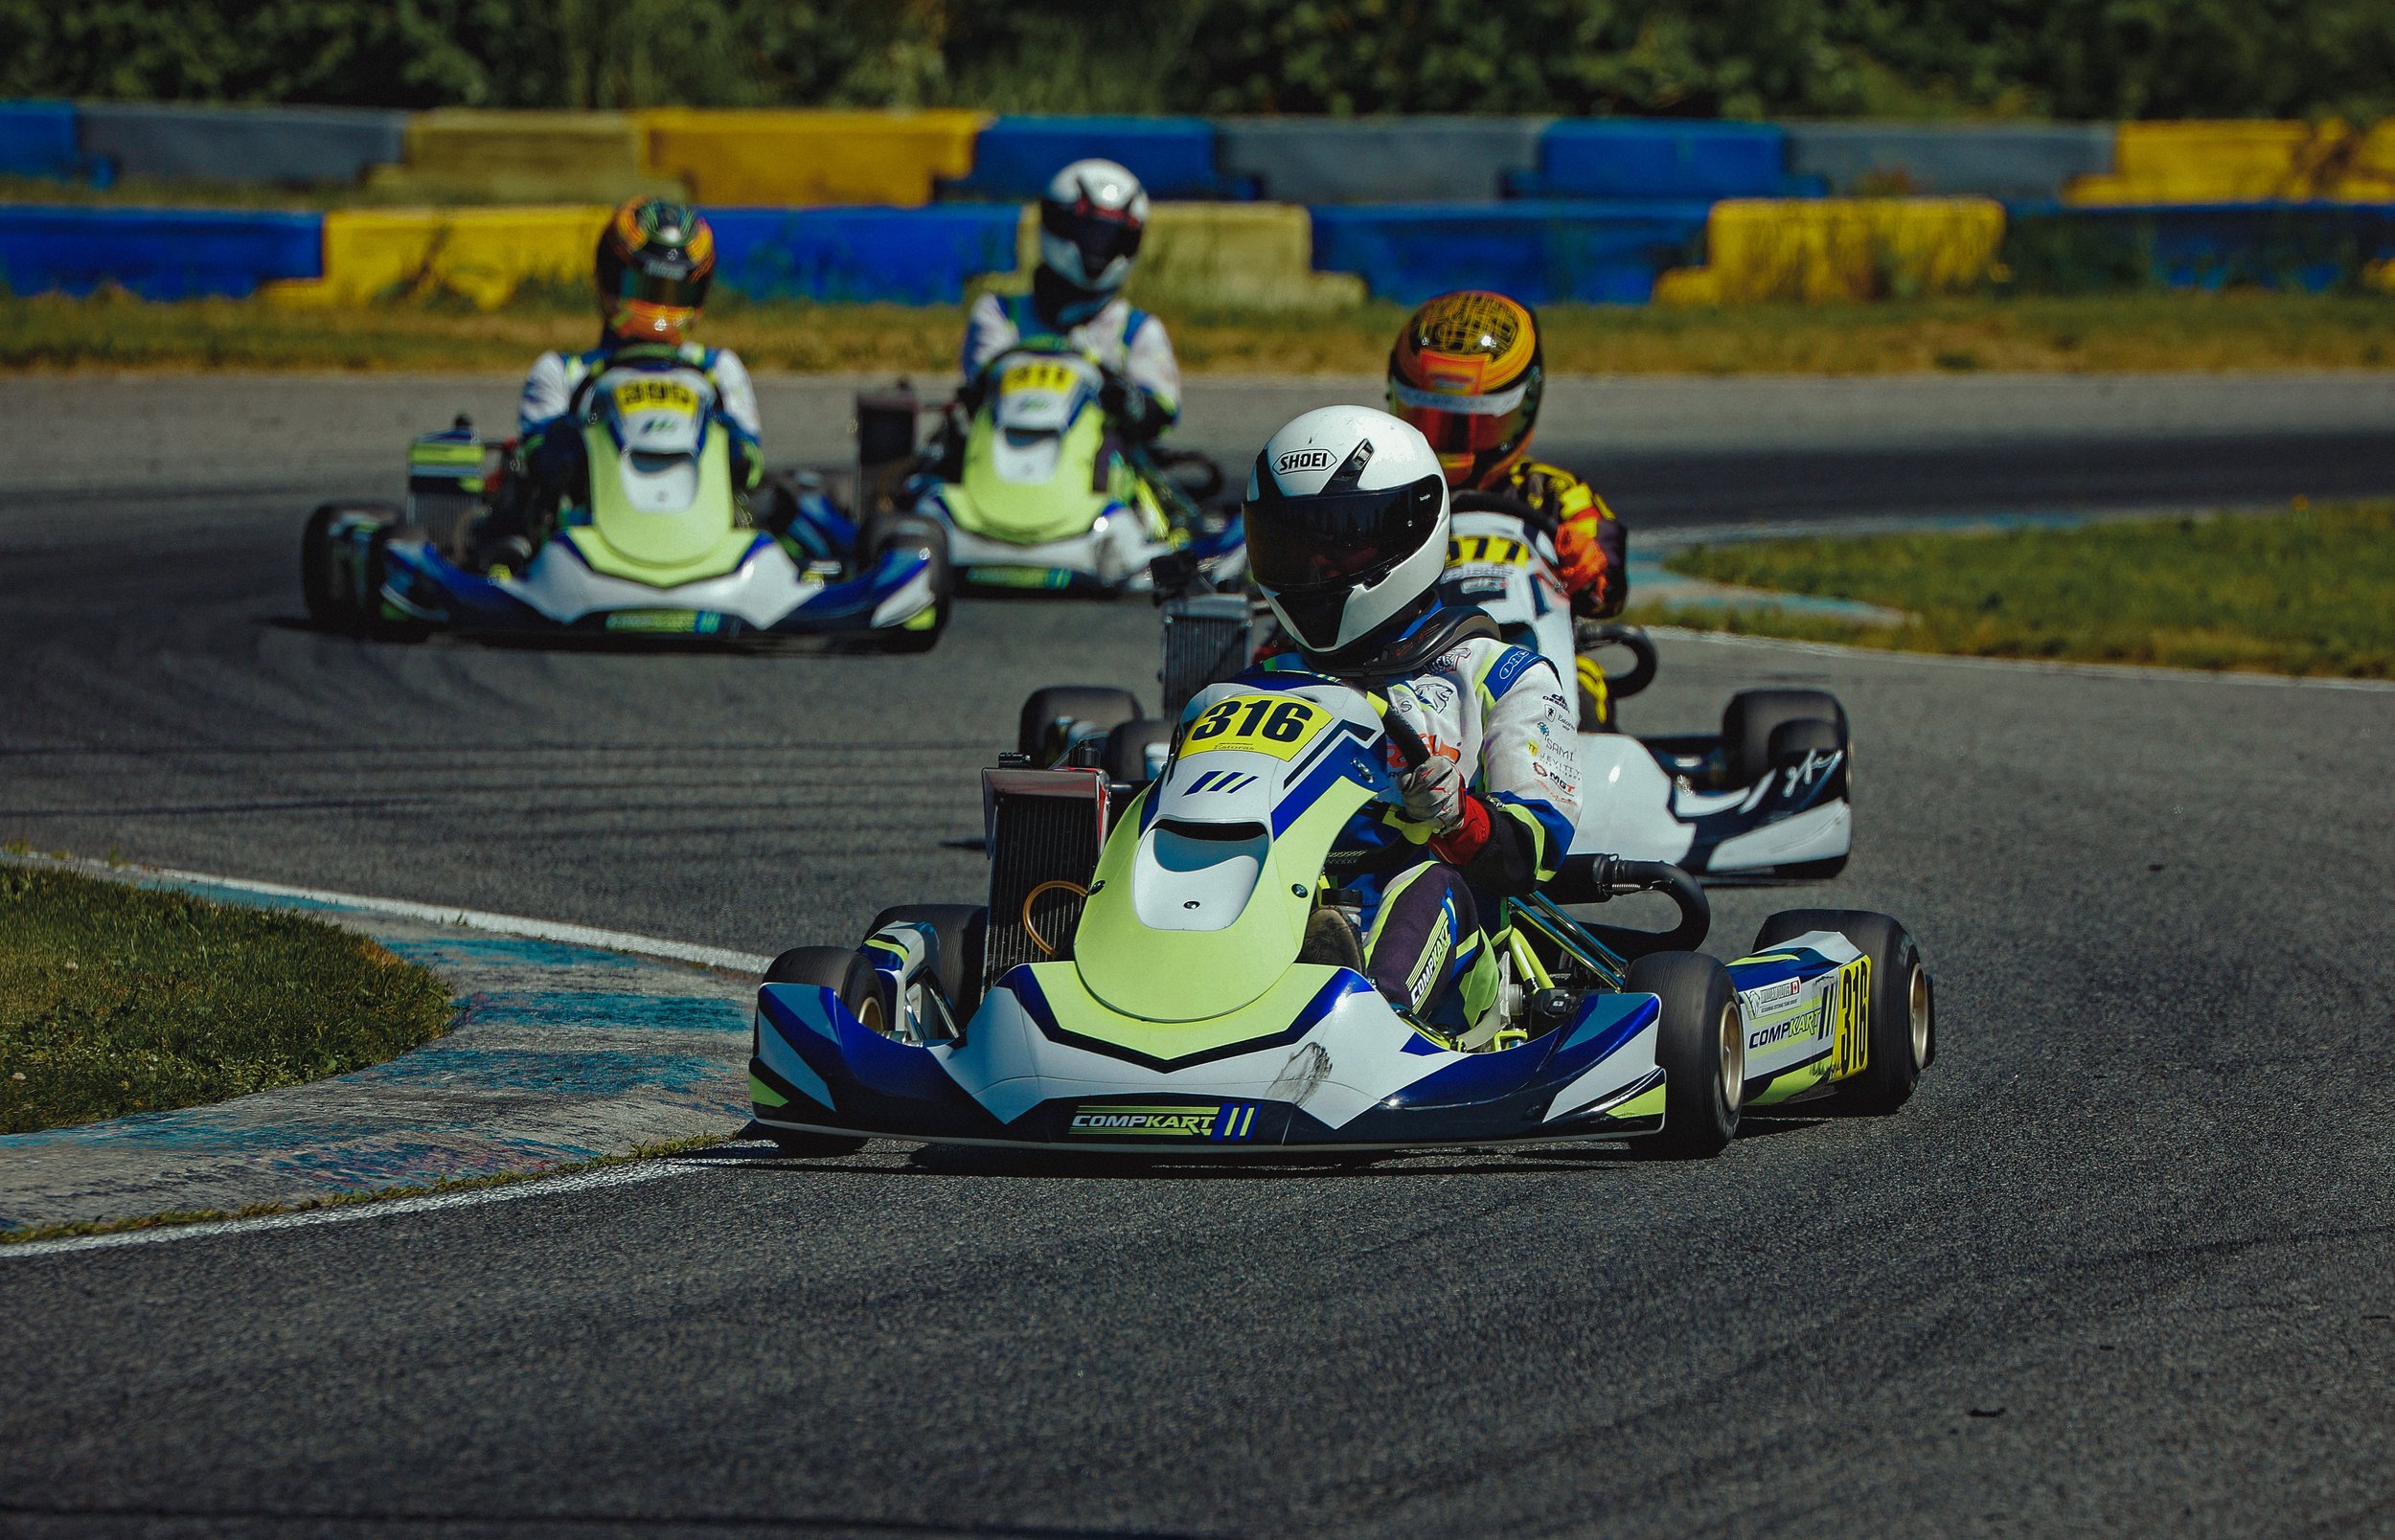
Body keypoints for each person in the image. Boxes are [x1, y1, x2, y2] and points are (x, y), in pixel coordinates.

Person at [1199, 404, 1580, 1037]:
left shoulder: (1495, 674)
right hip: (1270, 913)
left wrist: (1457, 815)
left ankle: (1372, 1024)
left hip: (1450, 950)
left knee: (1425, 883)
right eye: (1292, 546)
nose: (1312, 570)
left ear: (1409, 531)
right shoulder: (1255, 685)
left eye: (1335, 545)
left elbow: (1531, 855)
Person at [481, 197, 763, 560]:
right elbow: (540, 464)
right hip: (588, 539)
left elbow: (750, 465)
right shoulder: (564, 372)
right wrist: (568, 443)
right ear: (609, 278)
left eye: (675, 293)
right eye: (644, 287)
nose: (659, 305)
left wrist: (733, 445)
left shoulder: (719, 369)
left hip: (703, 532)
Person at [1385, 290, 1627, 622]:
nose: (1451, 442)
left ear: (1524, 405)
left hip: (1529, 644)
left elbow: (1608, 594)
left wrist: (1588, 564)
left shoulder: (1556, 493)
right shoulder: (1384, 489)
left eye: (1476, 423)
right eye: (1429, 419)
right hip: (1411, 647)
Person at [957, 158, 1181, 446]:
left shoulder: (1135, 330)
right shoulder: (999, 313)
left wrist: (1128, 401)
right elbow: (978, 393)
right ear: (1057, 225)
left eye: (1111, 238)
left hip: (1098, 462)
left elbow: (1163, 411)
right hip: (1005, 448)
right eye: (1091, 235)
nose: (1099, 248)